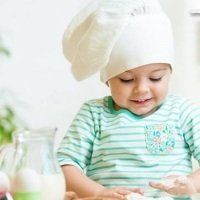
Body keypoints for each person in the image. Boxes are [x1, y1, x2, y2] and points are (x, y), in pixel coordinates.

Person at [57, 0, 200, 199]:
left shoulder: (183, 112)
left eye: (156, 77)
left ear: (169, 73)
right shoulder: (93, 115)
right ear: (107, 79)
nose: (141, 89)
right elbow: (64, 166)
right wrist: (99, 193)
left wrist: (191, 184)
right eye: (126, 79)